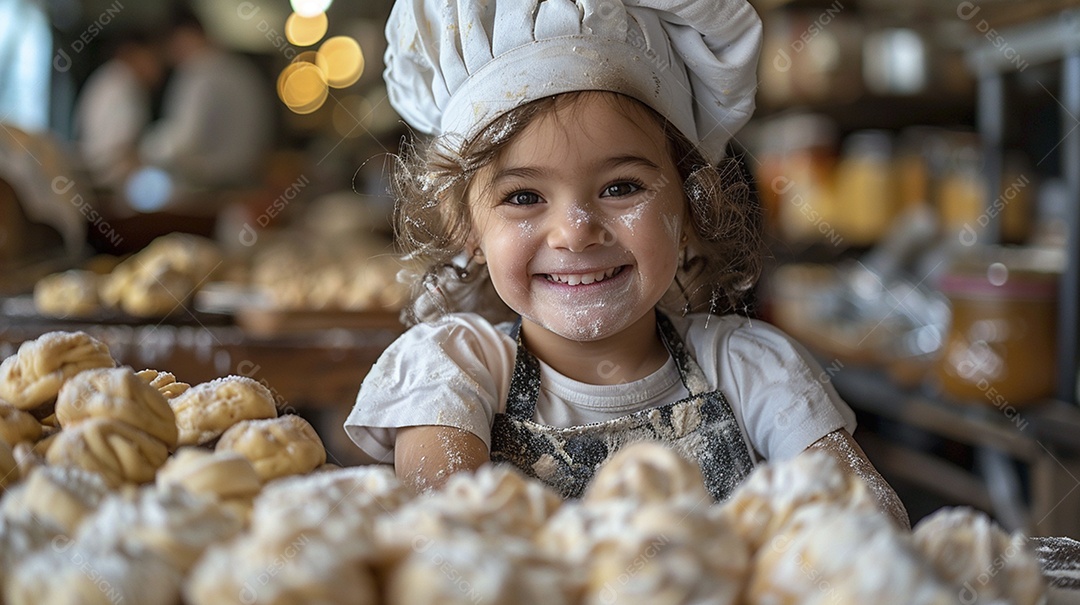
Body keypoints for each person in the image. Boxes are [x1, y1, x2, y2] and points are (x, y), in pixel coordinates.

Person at [345, 0, 909, 528]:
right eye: (523, 197)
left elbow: (867, 528)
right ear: (466, 227)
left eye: (621, 186)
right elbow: (447, 540)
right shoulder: (457, 371)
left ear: (689, 206)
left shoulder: (752, 371)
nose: (575, 231)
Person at [137, 4, 273, 215]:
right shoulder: (240, 68)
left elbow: (185, 140)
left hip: (212, 194)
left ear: (184, 36)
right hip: (247, 186)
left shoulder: (200, 73)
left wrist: (144, 150)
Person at [74, 31, 164, 192]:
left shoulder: (111, 77)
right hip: (109, 182)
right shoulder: (123, 84)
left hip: (99, 176)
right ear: (133, 53)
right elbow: (121, 150)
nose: (158, 69)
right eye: (154, 59)